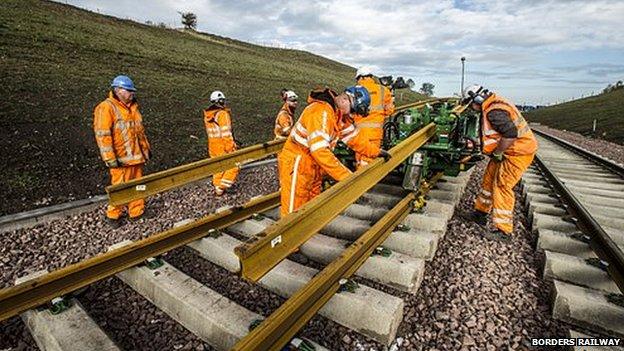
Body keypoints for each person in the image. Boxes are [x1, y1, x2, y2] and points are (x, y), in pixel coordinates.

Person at [278, 85, 391, 218]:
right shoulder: (321, 112)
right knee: (292, 213)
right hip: (297, 164)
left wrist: (376, 152)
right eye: (353, 111)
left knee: (309, 208)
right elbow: (320, 151)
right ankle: (289, 238)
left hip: (313, 166)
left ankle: (302, 236)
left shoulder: (338, 115)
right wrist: (347, 177)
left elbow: (354, 139)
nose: (352, 115)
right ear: (345, 100)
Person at [462, 85, 538, 241]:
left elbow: (510, 134)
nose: (472, 108)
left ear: (477, 99)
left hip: (517, 153)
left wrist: (497, 152)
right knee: (489, 179)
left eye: (471, 104)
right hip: (508, 151)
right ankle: (480, 214)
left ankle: (504, 231)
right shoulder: (493, 105)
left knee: (502, 185)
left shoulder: (494, 111)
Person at [93, 75, 151, 228]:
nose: (132, 93)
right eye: (129, 90)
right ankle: (113, 215)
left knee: (139, 186)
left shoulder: (133, 108)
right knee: (119, 189)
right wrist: (109, 158)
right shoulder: (106, 108)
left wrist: (146, 150)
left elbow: (140, 132)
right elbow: (102, 135)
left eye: (132, 91)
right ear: (118, 90)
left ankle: (137, 211)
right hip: (121, 160)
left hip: (136, 158)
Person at [353, 66, 395, 169]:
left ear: (360, 78)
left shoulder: (353, 91)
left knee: (360, 161)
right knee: (369, 161)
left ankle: (360, 182)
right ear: (371, 77)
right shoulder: (383, 90)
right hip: (375, 133)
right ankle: (365, 182)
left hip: (358, 133)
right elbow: (389, 111)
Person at [203, 90, 239, 196]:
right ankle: (223, 186)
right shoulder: (222, 114)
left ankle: (218, 188)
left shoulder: (208, 115)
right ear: (222, 101)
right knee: (234, 165)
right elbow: (226, 133)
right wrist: (231, 147)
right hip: (223, 145)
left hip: (213, 146)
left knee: (218, 167)